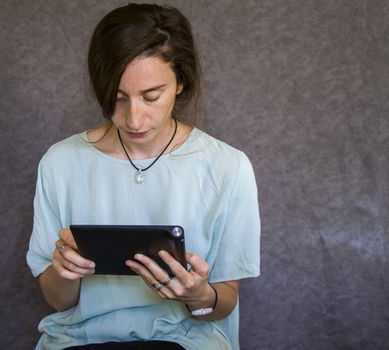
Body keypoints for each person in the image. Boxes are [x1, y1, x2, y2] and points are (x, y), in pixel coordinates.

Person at [26, 3, 260, 350]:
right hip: (80, 341)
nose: (134, 119)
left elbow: (223, 303)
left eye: (152, 96)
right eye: (117, 98)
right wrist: (64, 268)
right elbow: (58, 302)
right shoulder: (60, 163)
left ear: (181, 82)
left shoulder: (228, 167)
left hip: (186, 342)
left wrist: (198, 296)